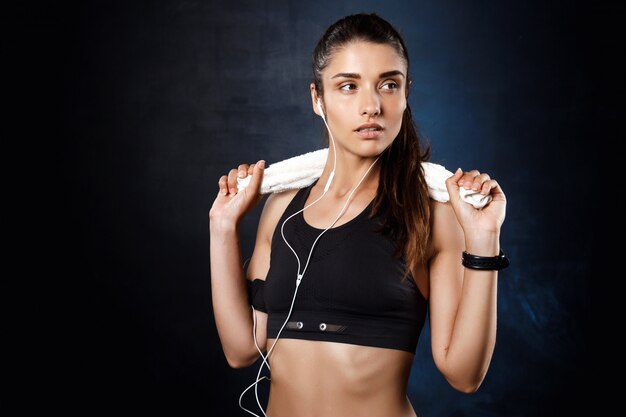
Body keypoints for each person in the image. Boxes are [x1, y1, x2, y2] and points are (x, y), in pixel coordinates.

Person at [209, 12, 508, 417]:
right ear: (318, 99)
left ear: (405, 95)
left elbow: (464, 375)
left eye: (388, 84)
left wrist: (485, 240)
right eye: (348, 86)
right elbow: (242, 350)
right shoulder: (282, 210)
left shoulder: (434, 214)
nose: (372, 106)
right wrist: (223, 228)